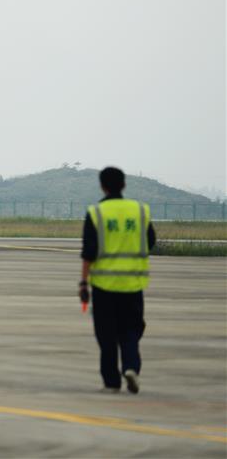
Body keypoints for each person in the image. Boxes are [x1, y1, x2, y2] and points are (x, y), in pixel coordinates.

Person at [79, 166, 155, 394]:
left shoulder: (96, 213)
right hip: (133, 284)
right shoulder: (139, 210)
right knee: (130, 329)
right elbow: (150, 241)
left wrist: (83, 284)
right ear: (123, 185)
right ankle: (131, 367)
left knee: (106, 334)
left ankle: (111, 382)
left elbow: (89, 252)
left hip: (104, 286)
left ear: (102, 185)